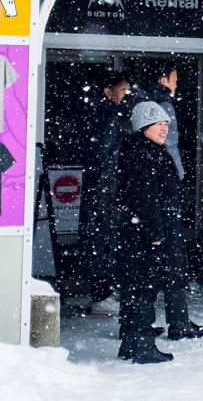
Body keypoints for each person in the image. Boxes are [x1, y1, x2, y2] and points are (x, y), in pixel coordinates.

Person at [114, 101, 203, 364]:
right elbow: (145, 199)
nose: (164, 128)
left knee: (141, 287)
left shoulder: (151, 151)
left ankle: (131, 344)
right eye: (158, 123)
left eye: (166, 124)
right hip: (145, 235)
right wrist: (155, 233)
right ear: (143, 126)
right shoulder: (141, 154)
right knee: (143, 288)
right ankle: (143, 347)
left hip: (150, 231)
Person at [79, 72, 131, 316]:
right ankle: (102, 297)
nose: (127, 95)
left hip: (103, 190)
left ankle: (103, 294)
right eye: (123, 90)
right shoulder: (110, 119)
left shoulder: (105, 116)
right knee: (104, 242)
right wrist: (109, 187)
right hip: (105, 192)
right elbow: (103, 158)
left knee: (103, 241)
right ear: (108, 92)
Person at [143, 59, 185, 181]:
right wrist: (178, 171)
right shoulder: (164, 106)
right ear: (163, 81)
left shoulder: (140, 100)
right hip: (163, 170)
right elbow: (170, 142)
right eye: (174, 81)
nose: (176, 86)